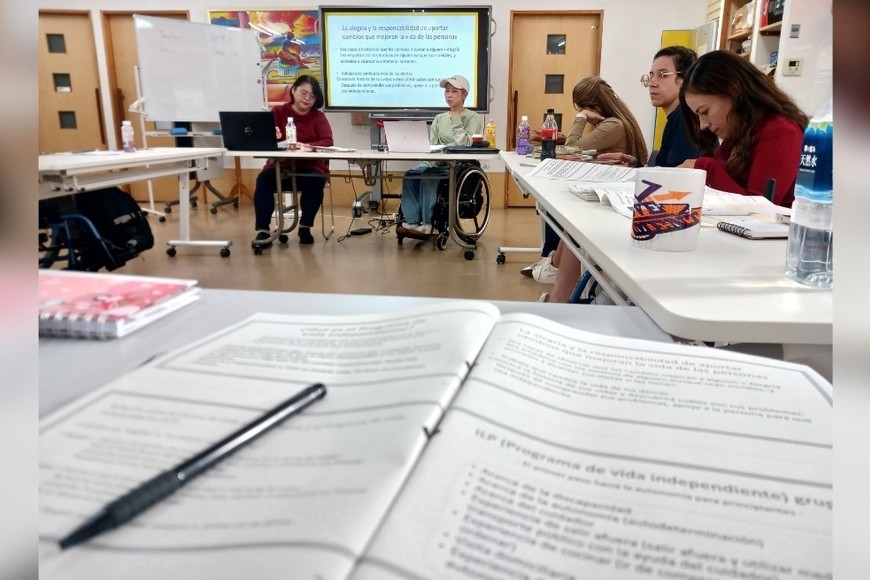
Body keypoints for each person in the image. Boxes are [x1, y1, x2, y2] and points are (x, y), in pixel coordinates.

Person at [542, 46, 700, 304]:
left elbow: (679, 178)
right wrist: (637, 165)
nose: (653, 83)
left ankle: (559, 298)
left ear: (685, 79)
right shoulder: (674, 119)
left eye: (662, 75)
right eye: (650, 76)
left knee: (579, 221)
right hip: (657, 207)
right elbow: (669, 170)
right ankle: (561, 287)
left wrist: (580, 118)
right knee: (575, 218)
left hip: (665, 217)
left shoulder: (682, 120)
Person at [527, 76, 649, 299]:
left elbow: (571, 148)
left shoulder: (613, 125)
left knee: (573, 224)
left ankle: (555, 288)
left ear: (593, 107)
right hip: (615, 196)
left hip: (614, 204)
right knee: (570, 222)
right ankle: (553, 269)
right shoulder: (615, 123)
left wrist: (580, 118)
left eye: (581, 108)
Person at [677, 50, 807, 208]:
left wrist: (703, 168)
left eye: (705, 112)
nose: (703, 125)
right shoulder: (739, 135)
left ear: (733, 91)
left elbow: (760, 208)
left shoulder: (781, 131)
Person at [253, 75, 333, 247]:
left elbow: (327, 141)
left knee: (316, 180)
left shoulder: (318, 117)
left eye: (312, 96)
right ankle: (263, 230)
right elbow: (265, 139)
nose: (307, 98)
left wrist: (308, 146)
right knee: (264, 180)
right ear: (293, 90)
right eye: (303, 93)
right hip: (281, 166)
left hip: (310, 167)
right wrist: (272, 136)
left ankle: (305, 227)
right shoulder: (278, 112)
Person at [398, 74, 481, 236]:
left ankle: (429, 223)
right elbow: (433, 144)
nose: (449, 95)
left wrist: (456, 119)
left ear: (464, 95)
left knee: (429, 176)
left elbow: (465, 144)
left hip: (458, 164)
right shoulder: (439, 118)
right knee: (411, 174)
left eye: (454, 91)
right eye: (447, 91)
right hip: (436, 161)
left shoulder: (473, 118)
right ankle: (412, 222)